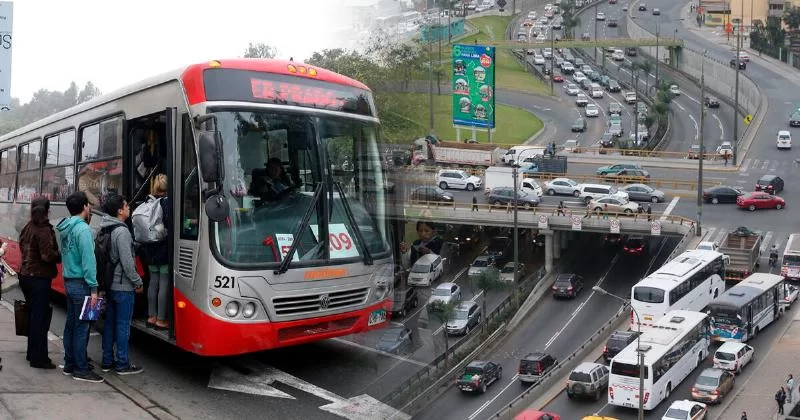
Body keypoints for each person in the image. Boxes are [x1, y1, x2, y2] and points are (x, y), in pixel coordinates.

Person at [56, 191, 103, 383]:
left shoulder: (66, 227)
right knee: (83, 327)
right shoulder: (83, 230)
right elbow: (89, 262)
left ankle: (70, 363)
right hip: (83, 284)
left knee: (71, 326)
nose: (90, 207)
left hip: (69, 281)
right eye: (88, 204)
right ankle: (81, 369)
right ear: (85, 207)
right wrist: (94, 288)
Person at [99, 194, 145, 375]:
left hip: (109, 284)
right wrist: (137, 282)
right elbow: (127, 263)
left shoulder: (104, 228)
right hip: (123, 287)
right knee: (123, 326)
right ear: (119, 211)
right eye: (126, 205)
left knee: (109, 324)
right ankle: (122, 364)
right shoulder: (122, 231)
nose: (128, 208)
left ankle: (107, 360)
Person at [19, 197, 61, 369]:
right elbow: (47, 255)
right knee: (39, 319)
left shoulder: (28, 226)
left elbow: (22, 246)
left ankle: (31, 353)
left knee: (34, 316)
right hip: (39, 278)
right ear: (48, 210)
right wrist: (62, 255)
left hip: (26, 275)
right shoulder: (43, 230)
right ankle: (39, 358)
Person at [143, 174, 172, 331]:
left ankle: (151, 316)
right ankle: (161, 319)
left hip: (150, 248)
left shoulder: (148, 201)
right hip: (163, 248)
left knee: (153, 283)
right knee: (164, 283)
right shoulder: (166, 203)